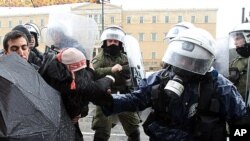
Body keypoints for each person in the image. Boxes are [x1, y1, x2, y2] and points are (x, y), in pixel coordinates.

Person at [98, 27, 247, 141]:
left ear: (201, 61)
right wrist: (108, 100)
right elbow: (136, 98)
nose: (183, 64)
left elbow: (241, 120)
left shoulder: (220, 87)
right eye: (180, 58)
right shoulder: (162, 77)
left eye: (189, 60)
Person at [39, 47, 115, 141]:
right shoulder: (73, 84)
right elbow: (97, 89)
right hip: (65, 131)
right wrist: (109, 79)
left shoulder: (52, 74)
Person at [91, 25, 141, 141]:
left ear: (120, 43)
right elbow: (94, 73)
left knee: (134, 131)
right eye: (110, 41)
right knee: (102, 133)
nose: (113, 43)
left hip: (124, 95)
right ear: (105, 42)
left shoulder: (125, 57)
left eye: (115, 41)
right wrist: (110, 70)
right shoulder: (100, 58)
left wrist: (123, 69)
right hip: (105, 96)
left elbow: (135, 68)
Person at [228, 22, 250, 100]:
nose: (234, 43)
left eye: (237, 39)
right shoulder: (235, 61)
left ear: (247, 38)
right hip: (236, 103)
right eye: (234, 40)